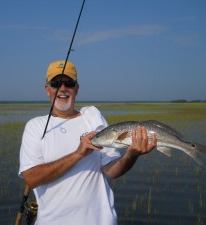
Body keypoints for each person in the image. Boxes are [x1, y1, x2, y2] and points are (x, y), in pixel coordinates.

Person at [18, 60, 157, 225]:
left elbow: (112, 171)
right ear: (47, 89)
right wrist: (78, 154)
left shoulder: (93, 119)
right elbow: (31, 179)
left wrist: (131, 155)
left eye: (68, 83)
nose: (62, 89)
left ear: (77, 88)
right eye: (56, 83)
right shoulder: (35, 126)